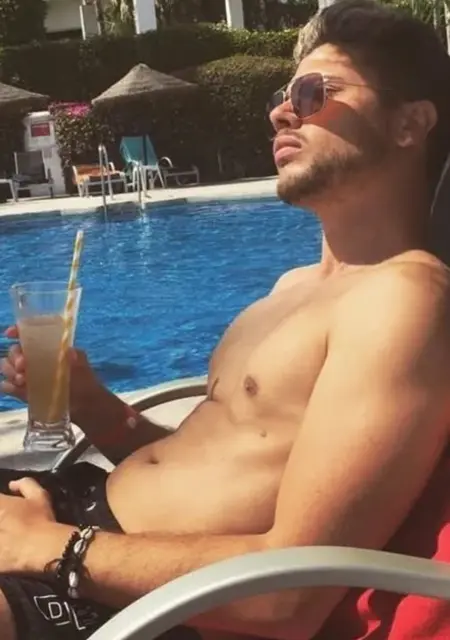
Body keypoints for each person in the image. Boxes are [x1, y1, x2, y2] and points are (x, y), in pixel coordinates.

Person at [2, 1, 450, 639]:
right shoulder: (292, 288)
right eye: (281, 96)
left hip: (131, 593)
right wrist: (92, 405)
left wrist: (47, 548)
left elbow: (290, 595)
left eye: (312, 93)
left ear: (410, 124)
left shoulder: (404, 301)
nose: (281, 112)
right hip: (79, 518)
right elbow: (214, 471)